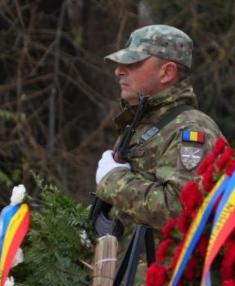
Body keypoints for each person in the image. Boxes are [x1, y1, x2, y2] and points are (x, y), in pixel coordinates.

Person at [95, 24, 225, 231]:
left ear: (166, 73)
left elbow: (182, 209)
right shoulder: (142, 124)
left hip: (166, 264)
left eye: (133, 63)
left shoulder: (192, 129)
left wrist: (113, 180)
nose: (119, 71)